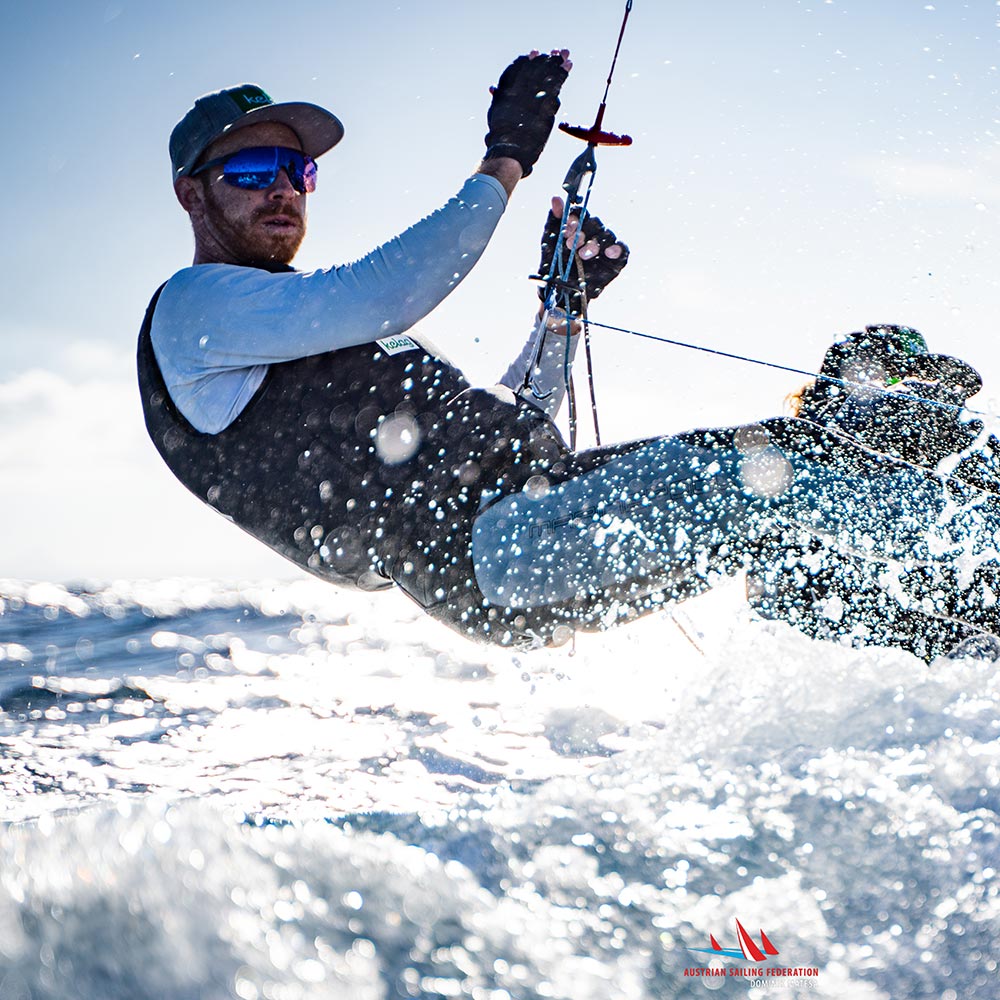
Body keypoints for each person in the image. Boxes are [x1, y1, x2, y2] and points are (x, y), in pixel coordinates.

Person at [138, 56, 1000, 658]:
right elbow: (387, 290)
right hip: (498, 549)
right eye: (251, 170)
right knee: (772, 474)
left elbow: (511, 415)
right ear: (191, 193)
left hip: (525, 529)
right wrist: (506, 159)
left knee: (783, 497)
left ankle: (936, 648)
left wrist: (565, 309)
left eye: (296, 171)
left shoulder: (289, 328)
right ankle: (968, 550)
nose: (282, 188)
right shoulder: (194, 310)